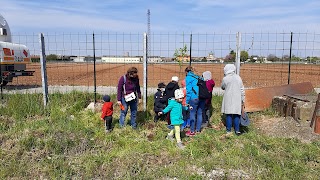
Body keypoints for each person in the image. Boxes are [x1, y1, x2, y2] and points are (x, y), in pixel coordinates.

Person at [221, 64, 245, 136]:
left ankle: (228, 130)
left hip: (228, 98)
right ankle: (237, 130)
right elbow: (242, 89)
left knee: (228, 114)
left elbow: (223, 87)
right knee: (236, 114)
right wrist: (243, 99)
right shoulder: (238, 78)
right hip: (237, 98)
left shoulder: (225, 78)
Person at [185, 66, 206, 136]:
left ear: (187, 72)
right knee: (200, 114)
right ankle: (198, 130)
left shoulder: (188, 78)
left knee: (192, 114)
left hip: (194, 98)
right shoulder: (199, 77)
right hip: (202, 97)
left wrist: (187, 101)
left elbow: (188, 91)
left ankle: (192, 131)